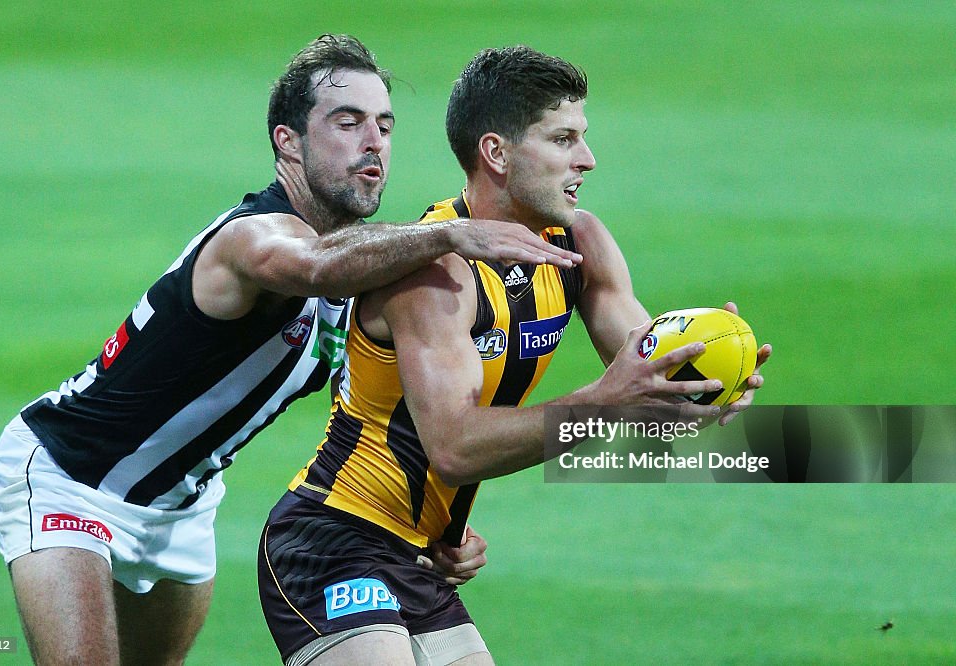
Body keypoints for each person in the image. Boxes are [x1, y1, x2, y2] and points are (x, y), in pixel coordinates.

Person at [0, 35, 581, 666]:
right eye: (346, 123)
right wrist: (449, 233)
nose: (372, 142)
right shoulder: (253, 239)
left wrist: (437, 525)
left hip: (180, 507)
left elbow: (392, 416)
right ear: (287, 141)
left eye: (384, 125)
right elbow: (316, 264)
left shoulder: (367, 264)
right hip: (69, 476)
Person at [258, 46, 772, 665]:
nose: (587, 159)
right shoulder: (433, 272)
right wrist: (605, 404)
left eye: (581, 137)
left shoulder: (581, 244)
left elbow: (646, 384)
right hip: (332, 539)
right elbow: (455, 446)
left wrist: (699, 385)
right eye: (562, 140)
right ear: (496, 154)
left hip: (421, 557)